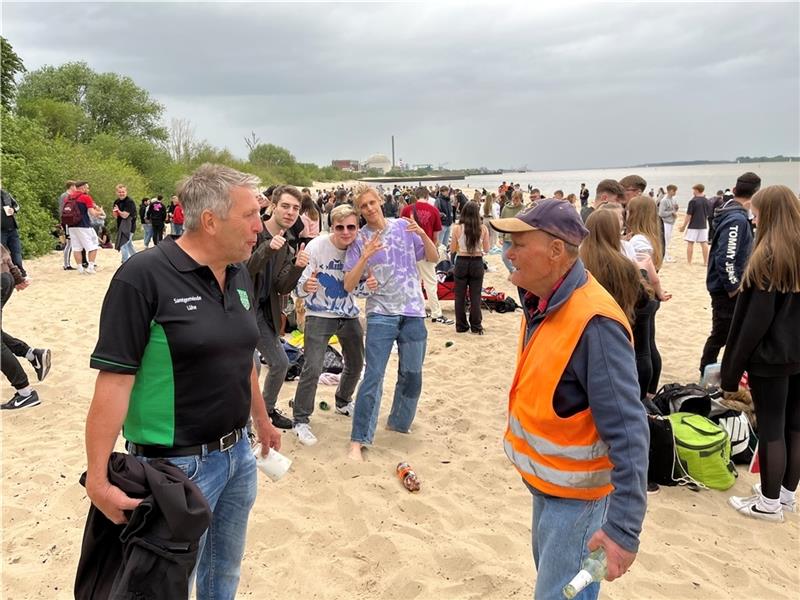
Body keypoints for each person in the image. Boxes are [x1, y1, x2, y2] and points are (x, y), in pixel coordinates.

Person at [82, 163, 281, 599]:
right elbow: (114, 381)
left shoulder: (238, 270)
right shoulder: (143, 277)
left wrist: (262, 420)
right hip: (174, 468)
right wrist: (98, 479)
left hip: (238, 457)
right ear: (210, 221)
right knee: (162, 588)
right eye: (250, 215)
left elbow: (240, 355)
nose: (259, 226)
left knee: (223, 573)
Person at [489, 200, 648, 599]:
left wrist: (624, 530)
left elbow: (630, 431)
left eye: (519, 245)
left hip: (577, 501)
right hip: (548, 487)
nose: (508, 254)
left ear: (556, 250)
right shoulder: (542, 300)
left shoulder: (595, 323)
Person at [343, 184, 439, 461]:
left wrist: (423, 234)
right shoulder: (359, 239)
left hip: (413, 311)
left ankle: (398, 423)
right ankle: (358, 439)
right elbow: (349, 284)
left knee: (412, 375)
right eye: (364, 206)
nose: (370, 209)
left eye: (372, 202)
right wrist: (364, 256)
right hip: (381, 312)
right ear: (359, 211)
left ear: (381, 201)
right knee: (373, 375)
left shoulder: (403, 226)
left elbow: (432, 257)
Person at [722, 185, 800, 523]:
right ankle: (786, 495)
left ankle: (769, 503)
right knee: (795, 428)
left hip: (771, 357)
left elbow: (754, 323)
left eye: (756, 213)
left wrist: (732, 368)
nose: (753, 217)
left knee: (772, 428)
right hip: (797, 354)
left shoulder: (768, 256)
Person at [291, 205, 375, 445]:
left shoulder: (359, 247)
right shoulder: (317, 246)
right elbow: (300, 284)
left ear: (358, 228)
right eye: (340, 227)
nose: (346, 232)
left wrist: (368, 286)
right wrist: (304, 288)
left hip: (348, 313)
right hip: (319, 314)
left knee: (357, 362)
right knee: (313, 367)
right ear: (331, 227)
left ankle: (343, 400)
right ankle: (300, 419)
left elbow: (356, 287)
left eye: (351, 227)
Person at [246, 185, 309, 430]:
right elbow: (243, 271)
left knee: (281, 363)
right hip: (239, 310)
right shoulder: (252, 231)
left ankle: (268, 410)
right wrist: (266, 248)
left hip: (264, 312)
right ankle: (245, 425)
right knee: (252, 366)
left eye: (295, 208)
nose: (290, 212)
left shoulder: (288, 244)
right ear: (273, 205)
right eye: (285, 206)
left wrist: (297, 266)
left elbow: (282, 288)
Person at [700, 172, 759, 378]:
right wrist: (733, 287)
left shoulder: (732, 213)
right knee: (721, 335)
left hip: (724, 285)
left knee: (724, 334)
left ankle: (718, 372)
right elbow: (726, 257)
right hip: (725, 289)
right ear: (755, 194)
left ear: (734, 190)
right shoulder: (737, 219)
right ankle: (707, 373)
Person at [1, 245, 51, 410]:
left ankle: (25, 392)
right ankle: (32, 354)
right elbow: (4, 252)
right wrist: (16, 275)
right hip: (5, 276)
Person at [400, 187, 453, 325]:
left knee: (414, 282)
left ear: (415, 196)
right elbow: (436, 236)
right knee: (430, 282)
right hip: (425, 249)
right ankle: (436, 313)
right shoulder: (434, 210)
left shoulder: (407, 210)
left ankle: (417, 309)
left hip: (410, 251)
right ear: (427, 196)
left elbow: (401, 231)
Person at [450, 201, 490, 334]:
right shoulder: (482, 228)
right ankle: (476, 325)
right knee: (475, 296)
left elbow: (452, 249)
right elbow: (487, 249)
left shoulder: (457, 228)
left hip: (461, 261)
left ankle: (461, 325)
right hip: (477, 261)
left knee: (460, 296)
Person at [68, 182, 104, 274]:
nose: (88, 190)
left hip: (72, 225)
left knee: (77, 248)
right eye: (87, 188)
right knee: (93, 245)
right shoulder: (85, 197)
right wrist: (100, 212)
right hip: (84, 225)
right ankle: (90, 267)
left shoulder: (69, 197)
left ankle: (80, 268)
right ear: (82, 188)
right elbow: (93, 213)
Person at [680, 184, 711, 265]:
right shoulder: (707, 201)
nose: (693, 192)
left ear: (697, 190)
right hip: (703, 224)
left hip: (693, 225)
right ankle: (705, 262)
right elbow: (708, 213)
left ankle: (689, 261)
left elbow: (689, 215)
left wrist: (684, 226)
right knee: (704, 243)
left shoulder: (693, 201)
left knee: (690, 242)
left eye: (693, 190)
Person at [1, 183, 27, 279]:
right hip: (1, 230)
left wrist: (13, 210)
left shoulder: (6, 194)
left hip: (12, 228)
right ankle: (4, 274)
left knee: (16, 251)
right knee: (2, 254)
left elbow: (17, 206)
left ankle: (20, 272)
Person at [499, 190, 524, 274]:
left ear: (521, 199)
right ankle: (512, 271)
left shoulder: (524, 209)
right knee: (504, 257)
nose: (515, 201)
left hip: (519, 240)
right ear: (511, 198)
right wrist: (500, 236)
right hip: (507, 239)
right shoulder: (506, 208)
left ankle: (517, 273)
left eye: (517, 199)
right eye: (514, 199)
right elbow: (501, 222)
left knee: (519, 259)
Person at [112, 184, 137, 263]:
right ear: (116, 192)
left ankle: (125, 262)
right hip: (121, 226)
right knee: (128, 244)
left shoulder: (129, 202)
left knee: (123, 244)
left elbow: (125, 215)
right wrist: (115, 212)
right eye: (119, 192)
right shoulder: (117, 201)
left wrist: (118, 211)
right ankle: (136, 259)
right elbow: (115, 216)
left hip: (129, 226)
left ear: (126, 192)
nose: (121, 193)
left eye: (123, 192)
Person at [657, 184, 679, 262]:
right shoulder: (664, 200)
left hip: (671, 222)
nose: (675, 192)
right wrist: (671, 213)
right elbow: (661, 213)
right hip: (665, 222)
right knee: (665, 240)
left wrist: (676, 209)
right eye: (674, 191)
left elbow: (674, 210)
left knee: (668, 239)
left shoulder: (673, 199)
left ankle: (666, 255)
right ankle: (664, 256)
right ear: (670, 191)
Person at [59, 180, 77, 270]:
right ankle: (66, 264)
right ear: (71, 186)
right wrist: (62, 221)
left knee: (70, 243)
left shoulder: (71, 196)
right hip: (67, 221)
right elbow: (62, 209)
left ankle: (67, 263)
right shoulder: (65, 196)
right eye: (75, 186)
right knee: (69, 243)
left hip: (71, 221)